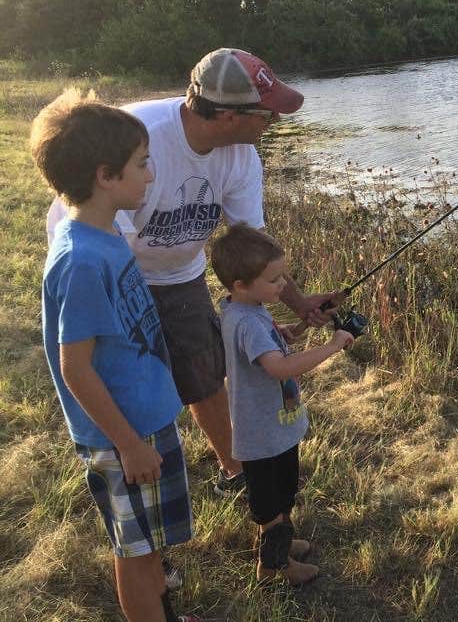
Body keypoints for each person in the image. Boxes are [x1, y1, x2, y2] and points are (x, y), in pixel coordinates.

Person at [46, 48, 342, 496]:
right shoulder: (138, 145)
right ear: (226, 115)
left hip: (179, 268)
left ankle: (236, 471)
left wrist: (298, 303)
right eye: (267, 114)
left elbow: (251, 249)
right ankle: (129, 455)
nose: (274, 123)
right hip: (110, 263)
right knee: (131, 372)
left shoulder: (241, 156)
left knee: (203, 371)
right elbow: (111, 250)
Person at [34, 90, 199, 622]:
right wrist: (128, 445)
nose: (150, 176)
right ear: (107, 176)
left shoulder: (106, 238)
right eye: (142, 164)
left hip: (144, 416)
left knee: (152, 543)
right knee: (135, 550)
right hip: (122, 434)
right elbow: (75, 367)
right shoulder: (81, 259)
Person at [210, 223, 355, 584]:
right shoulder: (248, 323)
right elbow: (278, 367)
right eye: (275, 280)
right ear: (241, 284)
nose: (284, 287)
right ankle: (275, 567)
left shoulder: (244, 309)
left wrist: (298, 328)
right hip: (263, 434)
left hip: (272, 428)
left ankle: (279, 547)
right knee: (271, 503)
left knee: (282, 493)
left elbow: (272, 343)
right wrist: (333, 345)